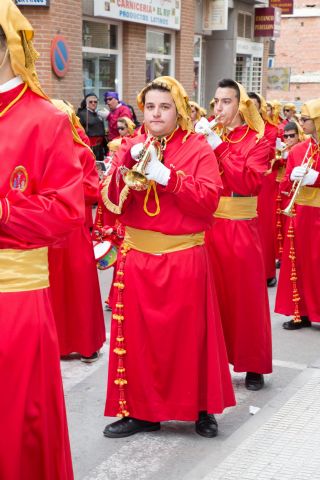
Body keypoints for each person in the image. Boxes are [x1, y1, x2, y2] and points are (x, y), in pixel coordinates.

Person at [101, 76, 235, 439]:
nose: (156, 114)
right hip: (138, 259)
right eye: (150, 107)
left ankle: (200, 408)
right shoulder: (129, 144)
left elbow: (209, 199)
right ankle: (142, 412)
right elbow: (108, 201)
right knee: (141, 343)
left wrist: (168, 178)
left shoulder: (196, 149)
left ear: (178, 110)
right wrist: (121, 171)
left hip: (183, 257)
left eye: (164, 107)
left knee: (191, 339)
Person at [0, 2, 85, 478]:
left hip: (13, 299)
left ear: (9, 47)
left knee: (16, 422)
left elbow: (66, 212)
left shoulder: (45, 119)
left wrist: (4, 210)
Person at [196, 79, 272, 391]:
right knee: (212, 299)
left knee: (246, 298)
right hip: (210, 228)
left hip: (241, 228)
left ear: (241, 105)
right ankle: (214, 363)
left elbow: (246, 183)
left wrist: (217, 145)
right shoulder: (207, 138)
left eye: (226, 102)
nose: (218, 108)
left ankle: (253, 364)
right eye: (215, 102)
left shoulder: (260, 141)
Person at [49, 99, 106, 362]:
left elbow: (93, 191)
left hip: (75, 230)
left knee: (80, 288)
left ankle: (87, 343)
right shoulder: (43, 151)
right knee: (55, 289)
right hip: (49, 231)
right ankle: (58, 343)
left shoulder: (82, 153)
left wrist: (62, 192)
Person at [275, 99, 320, 330]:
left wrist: (317, 179)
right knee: (298, 263)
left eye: (305, 119)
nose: (301, 123)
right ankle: (299, 312)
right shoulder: (299, 150)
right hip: (301, 213)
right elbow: (285, 182)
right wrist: (291, 177)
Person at [248, 91, 279, 287]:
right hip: (241, 183)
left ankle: (267, 271)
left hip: (264, 181)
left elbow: (266, 152)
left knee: (264, 226)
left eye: (253, 105)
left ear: (260, 107)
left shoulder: (270, 129)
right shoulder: (236, 129)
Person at [77, 92, 106, 160]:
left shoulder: (98, 114)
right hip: (90, 147)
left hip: (100, 147)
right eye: (90, 102)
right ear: (86, 103)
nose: (93, 103)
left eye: (95, 102)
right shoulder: (81, 114)